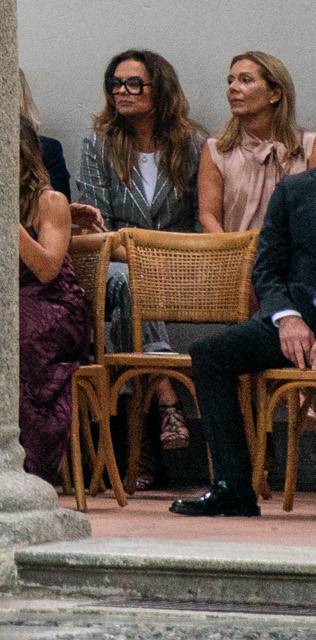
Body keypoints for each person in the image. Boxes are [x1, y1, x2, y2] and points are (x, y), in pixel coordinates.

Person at [77, 48, 205, 462]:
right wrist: (139, 259)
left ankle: (141, 450)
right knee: (132, 282)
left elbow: (200, 222)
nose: (122, 92)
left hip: (181, 262)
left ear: (160, 89)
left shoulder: (195, 145)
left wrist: (160, 257)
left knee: (134, 294)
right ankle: (168, 395)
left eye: (133, 83)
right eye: (115, 84)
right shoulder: (99, 145)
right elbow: (100, 224)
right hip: (117, 264)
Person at [170, 164, 316, 517]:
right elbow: (266, 269)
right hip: (296, 321)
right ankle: (232, 487)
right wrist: (287, 317)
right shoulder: (293, 191)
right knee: (210, 355)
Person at [16, 118, 90, 487]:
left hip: (53, 305)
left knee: (17, 337)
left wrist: (7, 223)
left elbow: (46, 268)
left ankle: (35, 463)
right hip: (8, 301)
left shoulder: (51, 201)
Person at [200, 51, 312, 236]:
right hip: (232, 259)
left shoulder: (308, 146)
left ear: (275, 93)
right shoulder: (217, 149)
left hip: (293, 262)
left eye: (245, 80)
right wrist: (233, 257)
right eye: (230, 81)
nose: (233, 88)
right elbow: (208, 217)